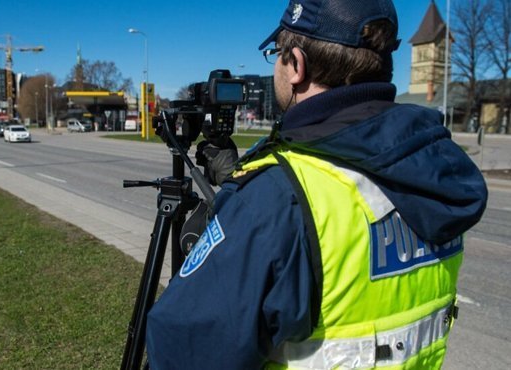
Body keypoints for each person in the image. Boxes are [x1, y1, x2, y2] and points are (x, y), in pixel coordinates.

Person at [146, 0, 488, 369]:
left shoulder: (273, 199)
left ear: (296, 65)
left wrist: (232, 220)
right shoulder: (434, 169)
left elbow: (185, 352)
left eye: (276, 54)